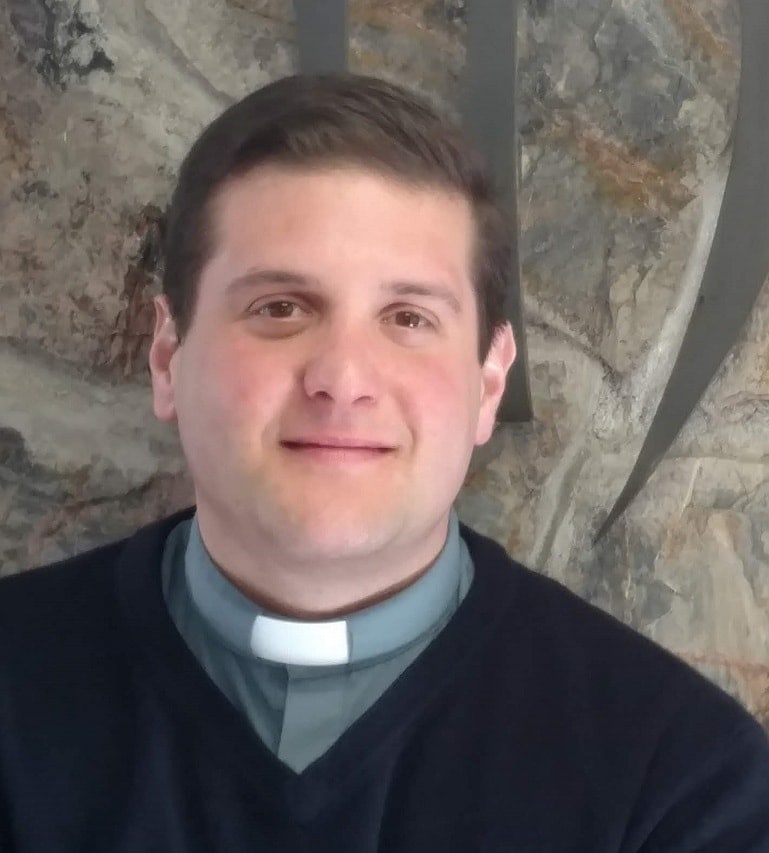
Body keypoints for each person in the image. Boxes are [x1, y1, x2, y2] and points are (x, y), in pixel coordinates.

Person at [0, 73, 768, 852]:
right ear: (168, 357)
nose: (342, 379)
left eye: (407, 317)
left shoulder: (676, 782)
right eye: (280, 308)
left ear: (488, 383)